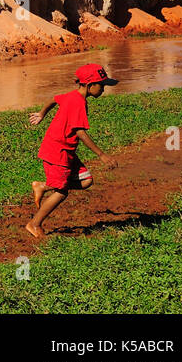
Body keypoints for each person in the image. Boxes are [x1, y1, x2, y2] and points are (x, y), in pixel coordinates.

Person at [24, 62, 118, 239]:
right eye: (102, 85)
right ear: (91, 86)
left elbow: (54, 99)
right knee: (61, 192)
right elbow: (79, 132)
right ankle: (34, 224)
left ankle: (43, 186)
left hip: (65, 150)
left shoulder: (72, 96)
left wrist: (42, 113)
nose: (104, 89)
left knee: (86, 180)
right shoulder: (78, 103)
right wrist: (102, 155)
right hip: (57, 151)